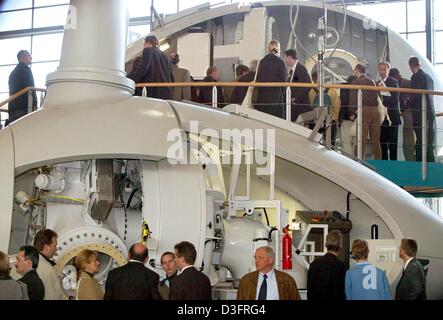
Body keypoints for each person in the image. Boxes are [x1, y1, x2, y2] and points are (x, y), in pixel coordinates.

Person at [349, 63, 381, 160]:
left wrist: (351, 112)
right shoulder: (372, 81)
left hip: (364, 110)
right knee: (375, 139)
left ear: (357, 71)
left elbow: (353, 99)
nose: (354, 72)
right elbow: (377, 96)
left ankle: (358, 161)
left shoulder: (356, 82)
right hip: (375, 110)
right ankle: (379, 160)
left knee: (361, 138)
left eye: (354, 70)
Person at [407, 57, 435, 162]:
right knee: (429, 140)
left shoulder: (415, 77)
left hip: (420, 113)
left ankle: (420, 162)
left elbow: (416, 94)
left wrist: (407, 102)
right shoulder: (429, 77)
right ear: (420, 64)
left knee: (420, 139)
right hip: (430, 112)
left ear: (410, 66)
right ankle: (431, 162)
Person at [128, 35, 174, 99]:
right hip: (166, 92)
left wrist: (131, 82)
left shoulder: (148, 50)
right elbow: (171, 76)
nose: (144, 45)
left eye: (145, 43)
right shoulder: (167, 57)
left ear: (149, 42)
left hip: (153, 91)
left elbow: (144, 69)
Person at [307, 230, 346, 300]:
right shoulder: (340, 266)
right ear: (340, 245)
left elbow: (310, 292)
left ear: (325, 244)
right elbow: (339, 293)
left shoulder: (314, 264)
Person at [255, 40, 287, 119]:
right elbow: (284, 81)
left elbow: (258, 79)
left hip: (262, 97)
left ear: (268, 49)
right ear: (278, 49)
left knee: (264, 121)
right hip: (276, 97)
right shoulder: (280, 62)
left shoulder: (261, 62)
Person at [34, 229, 67, 300]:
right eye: (54, 246)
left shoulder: (24, 260)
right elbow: (53, 297)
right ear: (46, 247)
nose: (56, 249)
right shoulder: (46, 269)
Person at [389, 68, 415, 161]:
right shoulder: (403, 82)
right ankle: (409, 158)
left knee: (409, 134)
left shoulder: (406, 83)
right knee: (407, 135)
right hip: (404, 112)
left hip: (408, 111)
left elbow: (414, 96)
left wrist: (406, 103)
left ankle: (410, 159)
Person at [309, 71, 341, 145]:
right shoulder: (332, 90)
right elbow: (337, 105)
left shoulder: (311, 91)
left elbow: (310, 105)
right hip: (330, 119)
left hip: (315, 120)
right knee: (331, 143)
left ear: (313, 79)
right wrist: (335, 117)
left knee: (315, 143)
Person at [7, 50, 37, 125]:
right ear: (23, 57)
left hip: (13, 107)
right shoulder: (26, 69)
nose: (31, 58)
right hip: (23, 107)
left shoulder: (13, 72)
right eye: (29, 56)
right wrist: (35, 104)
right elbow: (31, 87)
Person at [377, 62, 400, 160]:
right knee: (382, 142)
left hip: (392, 116)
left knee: (392, 144)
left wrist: (383, 93)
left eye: (384, 70)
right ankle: (384, 164)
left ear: (388, 71)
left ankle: (393, 165)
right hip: (382, 117)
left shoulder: (393, 82)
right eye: (380, 70)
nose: (382, 72)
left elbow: (395, 99)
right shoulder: (378, 83)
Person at [284, 49, 312, 123]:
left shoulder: (301, 69)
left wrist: (296, 99)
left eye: (285, 58)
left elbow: (308, 84)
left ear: (289, 57)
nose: (284, 60)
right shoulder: (293, 71)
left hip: (300, 107)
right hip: (295, 108)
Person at [339, 75, 357, 155]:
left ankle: (348, 162)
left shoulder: (343, 88)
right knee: (356, 141)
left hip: (346, 117)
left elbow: (344, 101)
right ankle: (355, 162)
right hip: (357, 118)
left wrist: (350, 114)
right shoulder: (360, 88)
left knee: (346, 141)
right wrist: (354, 114)